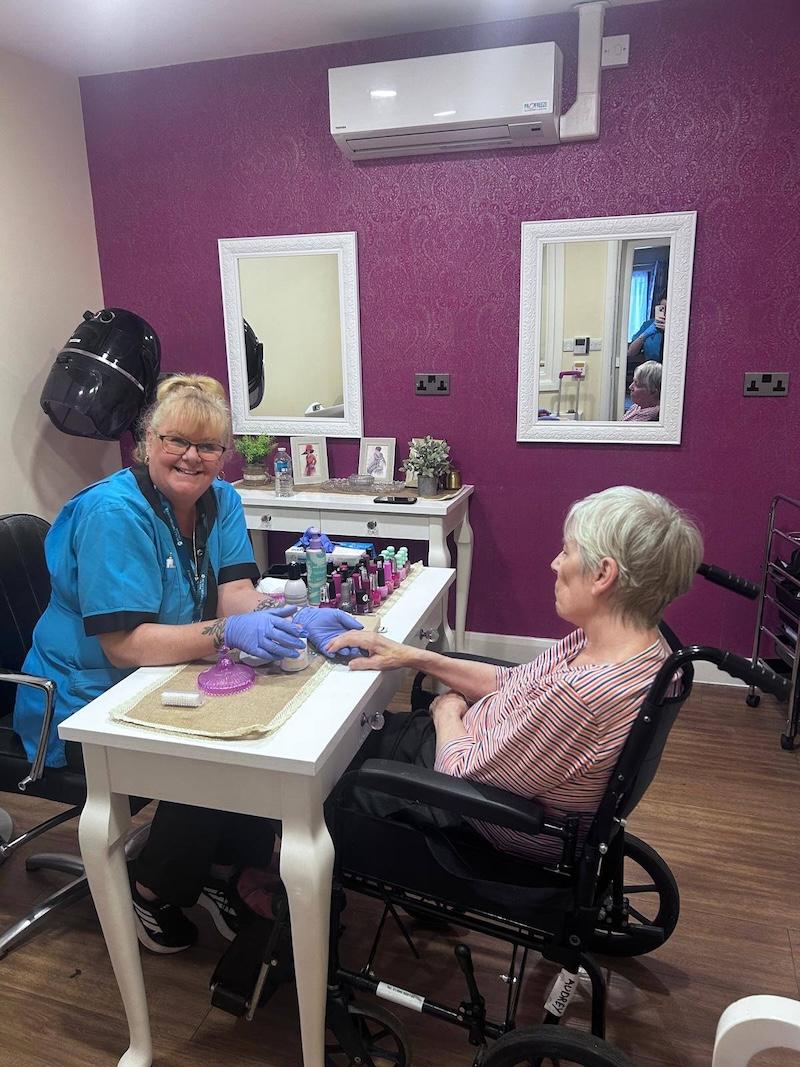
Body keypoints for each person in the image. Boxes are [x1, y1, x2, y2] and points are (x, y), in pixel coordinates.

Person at [13, 374, 362, 952]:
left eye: (207, 446)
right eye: (176, 440)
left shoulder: (221, 501)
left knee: (258, 738)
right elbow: (124, 645)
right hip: (83, 700)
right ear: (145, 442)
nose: (191, 457)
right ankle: (151, 888)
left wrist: (298, 618)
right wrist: (225, 633)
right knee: (216, 759)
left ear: (223, 456)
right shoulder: (112, 513)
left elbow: (236, 595)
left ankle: (220, 870)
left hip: (165, 675)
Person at [326, 487, 702, 862]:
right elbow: (511, 682)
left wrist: (446, 711)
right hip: (472, 747)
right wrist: (412, 656)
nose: (555, 563)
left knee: (327, 779)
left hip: (475, 812)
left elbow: (459, 774)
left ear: (603, 574)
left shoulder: (584, 697)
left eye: (567, 552)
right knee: (360, 733)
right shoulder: (628, 644)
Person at [626, 295, 666, 392]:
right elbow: (631, 352)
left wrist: (670, 332)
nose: (665, 313)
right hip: (650, 375)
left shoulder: (681, 328)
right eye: (662, 308)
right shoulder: (648, 325)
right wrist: (645, 334)